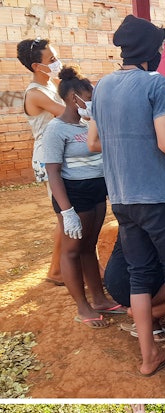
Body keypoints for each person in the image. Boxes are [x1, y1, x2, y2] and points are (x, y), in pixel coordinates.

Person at [87, 15, 165, 377]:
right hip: (159, 197)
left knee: (138, 274)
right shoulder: (156, 84)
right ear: (152, 53)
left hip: (122, 197)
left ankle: (149, 357)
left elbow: (94, 142)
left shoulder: (101, 87)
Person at [42, 67, 122, 327]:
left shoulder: (85, 125)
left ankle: (98, 298)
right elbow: (52, 171)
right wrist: (66, 211)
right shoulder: (56, 129)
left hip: (96, 191)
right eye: (89, 98)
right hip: (74, 194)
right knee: (72, 250)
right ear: (73, 97)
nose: (92, 103)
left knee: (89, 246)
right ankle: (82, 306)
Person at [17, 37, 66, 285]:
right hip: (50, 159)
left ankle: (58, 270)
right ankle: (58, 271)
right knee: (66, 215)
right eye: (52, 60)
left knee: (69, 214)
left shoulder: (50, 87)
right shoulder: (36, 93)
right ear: (37, 66)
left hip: (60, 155)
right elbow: (68, 114)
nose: (57, 63)